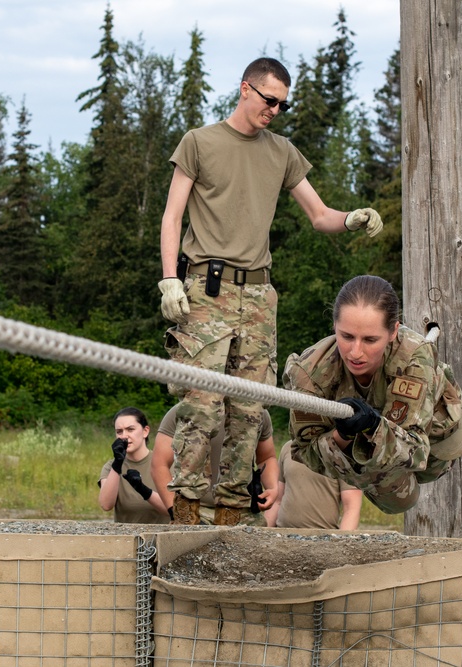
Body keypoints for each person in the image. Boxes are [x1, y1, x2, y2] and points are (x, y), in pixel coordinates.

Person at [158, 56, 385, 525]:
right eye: (269, 100)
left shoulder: (280, 151)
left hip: (259, 297)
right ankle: (184, 510)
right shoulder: (200, 143)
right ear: (245, 89)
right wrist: (169, 279)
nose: (275, 111)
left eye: (283, 104)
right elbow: (172, 216)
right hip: (207, 289)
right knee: (201, 404)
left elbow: (319, 215)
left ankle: (230, 512)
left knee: (248, 410)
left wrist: (351, 218)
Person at [283, 275, 462, 514]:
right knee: (398, 498)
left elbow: (416, 452)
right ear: (334, 326)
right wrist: (342, 436)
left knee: (436, 458)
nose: (356, 352)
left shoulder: (415, 356)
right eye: (347, 336)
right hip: (375, 457)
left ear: (394, 331)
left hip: (438, 439)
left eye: (370, 340)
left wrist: (375, 426)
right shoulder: (309, 372)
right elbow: (304, 452)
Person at [152, 403, 278, 526]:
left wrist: (272, 488)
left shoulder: (256, 412)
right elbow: (159, 464)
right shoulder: (184, 410)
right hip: (197, 511)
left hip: (243, 511)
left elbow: (267, 457)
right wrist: (175, 510)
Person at [98, 408, 170, 525]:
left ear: (145, 431)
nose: (124, 436)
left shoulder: (163, 462)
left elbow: (173, 510)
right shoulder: (110, 467)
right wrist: (117, 464)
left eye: (130, 430)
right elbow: (106, 505)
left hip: (162, 537)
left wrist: (143, 490)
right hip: (126, 538)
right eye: (119, 432)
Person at [267, 443, 362, 529]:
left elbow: (351, 507)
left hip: (322, 536)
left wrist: (341, 542)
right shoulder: (288, 448)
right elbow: (277, 501)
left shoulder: (343, 452)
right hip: (283, 533)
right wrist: (263, 533)